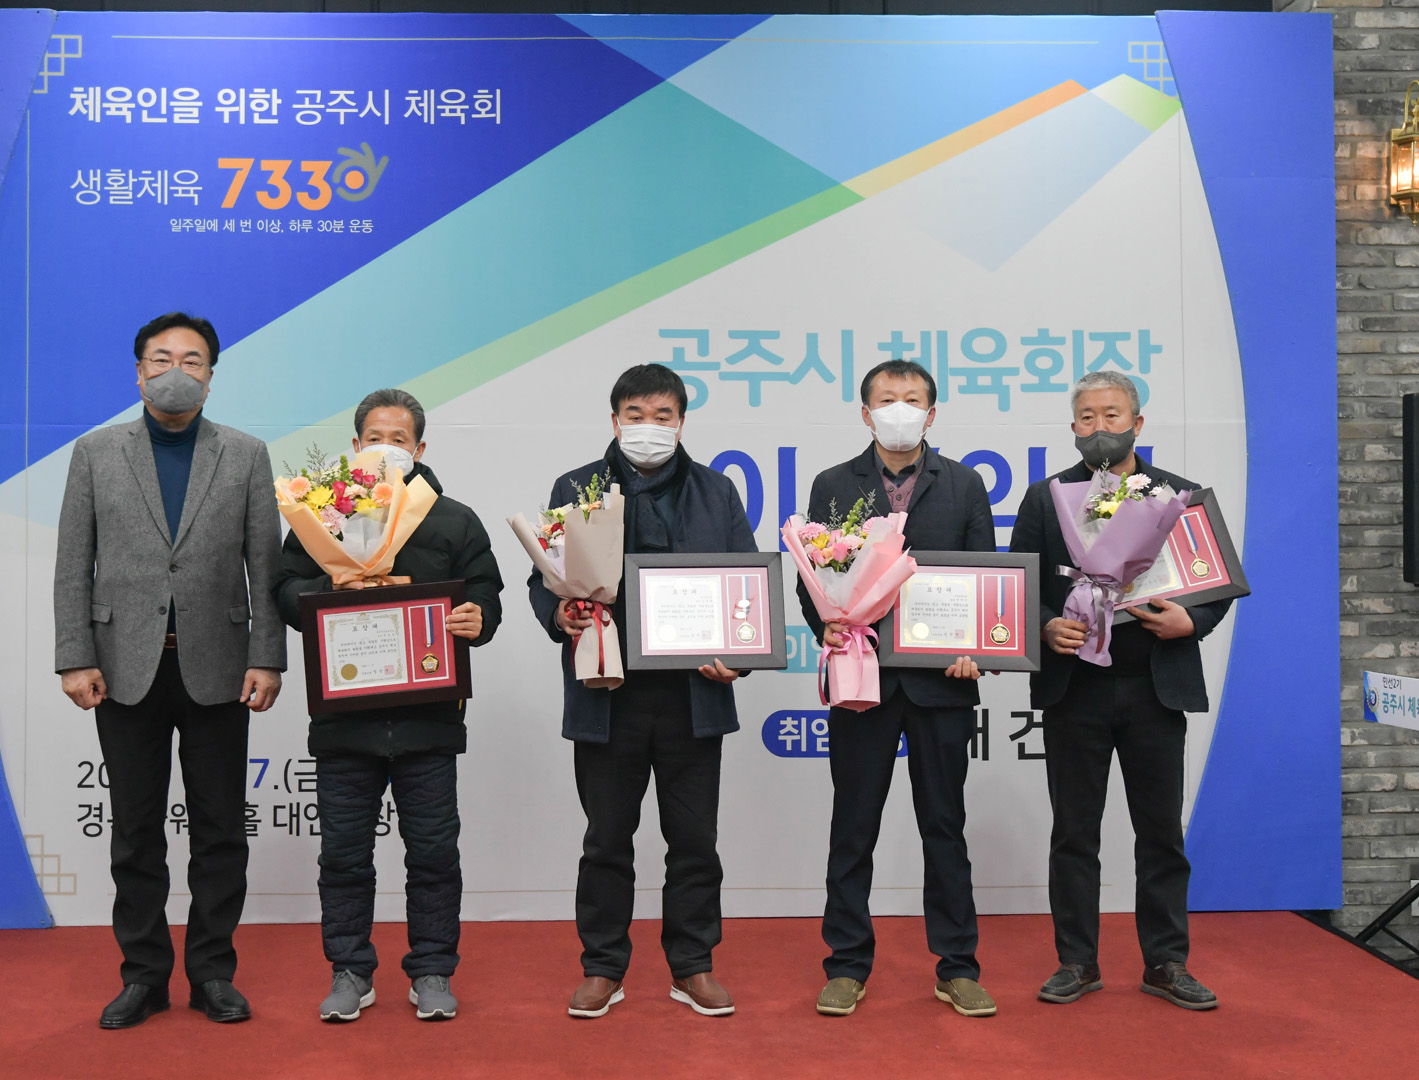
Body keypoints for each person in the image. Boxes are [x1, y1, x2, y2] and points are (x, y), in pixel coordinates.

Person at [54, 312, 285, 1029]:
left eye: (191, 360)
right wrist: (74, 655)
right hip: (123, 668)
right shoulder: (96, 452)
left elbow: (265, 567)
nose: (175, 370)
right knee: (135, 832)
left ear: (211, 376)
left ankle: (213, 972)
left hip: (219, 666)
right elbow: (73, 562)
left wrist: (267, 656)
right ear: (138, 372)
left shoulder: (245, 454)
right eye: (161, 359)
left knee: (220, 830)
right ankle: (144, 976)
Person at [528, 364, 755, 1020]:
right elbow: (543, 578)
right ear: (614, 419)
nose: (648, 427)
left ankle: (693, 965)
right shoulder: (576, 488)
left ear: (681, 422)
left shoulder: (717, 491)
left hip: (693, 697)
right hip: (608, 693)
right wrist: (560, 613)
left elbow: (745, 585)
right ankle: (603, 967)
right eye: (636, 415)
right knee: (606, 839)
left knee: (695, 841)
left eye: (662, 416)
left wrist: (739, 657)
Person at [273, 389, 503, 1024]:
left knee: (433, 854)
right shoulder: (322, 515)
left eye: (398, 439)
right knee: (344, 856)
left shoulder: (453, 519)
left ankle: (432, 969)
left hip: (429, 721)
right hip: (345, 722)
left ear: (419, 448)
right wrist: (328, 585)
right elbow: (282, 589)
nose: (385, 447)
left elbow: (486, 593)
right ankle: (350, 970)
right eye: (375, 437)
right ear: (355, 446)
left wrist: (478, 617)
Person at [1010, 370, 1232, 1012]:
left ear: (1137, 423)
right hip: (1075, 689)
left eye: (1112, 416)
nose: (1099, 427)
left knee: (1160, 834)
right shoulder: (1046, 497)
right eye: (1087, 417)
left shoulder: (1180, 496)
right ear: (1072, 427)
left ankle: (1166, 962)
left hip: (1154, 687)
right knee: (1073, 833)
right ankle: (1076, 962)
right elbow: (1020, 583)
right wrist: (1043, 624)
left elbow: (1215, 582)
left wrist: (1193, 621)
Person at [797, 359, 999, 1019]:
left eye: (912, 399)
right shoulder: (833, 484)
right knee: (853, 827)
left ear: (932, 414)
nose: (900, 410)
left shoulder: (964, 483)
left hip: (942, 685)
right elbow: (813, 578)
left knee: (945, 827)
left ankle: (958, 967)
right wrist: (826, 625)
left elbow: (985, 579)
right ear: (866, 413)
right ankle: (846, 965)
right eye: (887, 400)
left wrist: (976, 649)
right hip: (864, 678)